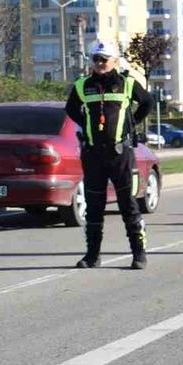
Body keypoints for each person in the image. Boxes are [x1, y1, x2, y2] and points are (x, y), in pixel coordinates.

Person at [64, 41, 152, 270]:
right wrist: (85, 123)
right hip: (93, 155)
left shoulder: (127, 83)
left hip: (120, 154)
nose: (100, 63)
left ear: (115, 61)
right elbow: (71, 109)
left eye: (104, 59)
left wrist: (131, 124)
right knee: (94, 208)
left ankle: (138, 254)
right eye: (96, 59)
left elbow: (147, 103)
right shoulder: (83, 85)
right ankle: (92, 256)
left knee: (128, 206)